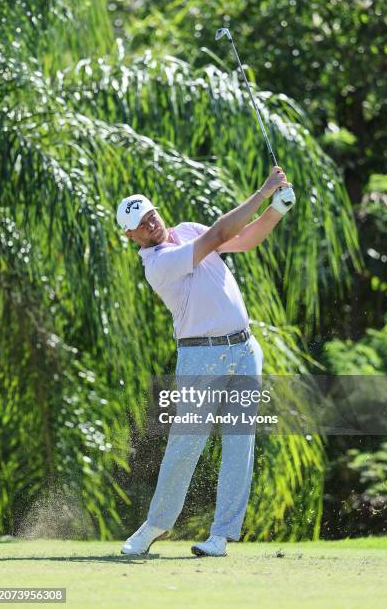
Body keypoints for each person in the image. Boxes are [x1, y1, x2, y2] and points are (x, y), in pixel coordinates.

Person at [116, 166, 294, 557]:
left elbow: (243, 241)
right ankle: (155, 526)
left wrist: (276, 211)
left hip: (246, 351)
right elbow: (220, 233)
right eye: (142, 226)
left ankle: (221, 536)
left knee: (239, 444)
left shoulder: (190, 230)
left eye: (151, 216)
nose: (152, 226)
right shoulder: (157, 264)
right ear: (131, 237)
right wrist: (264, 192)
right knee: (186, 444)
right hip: (202, 356)